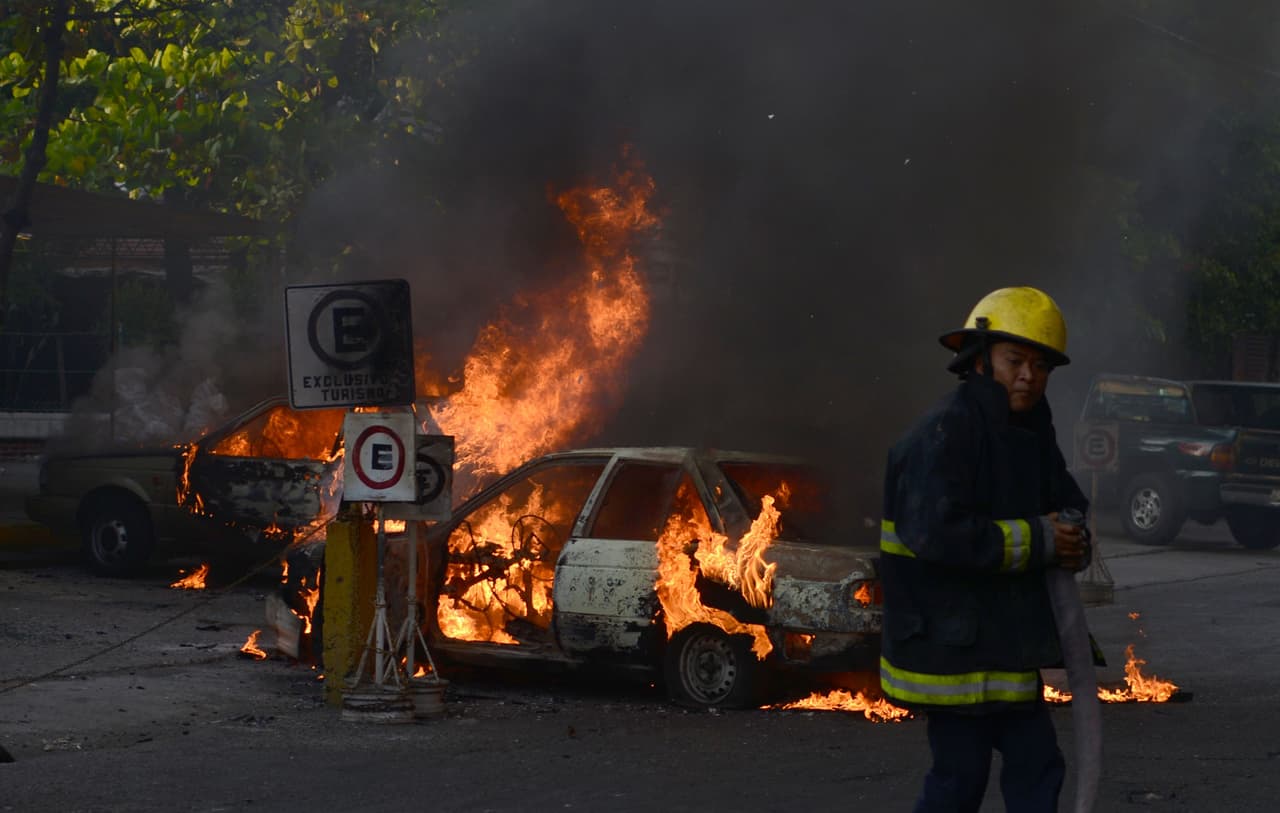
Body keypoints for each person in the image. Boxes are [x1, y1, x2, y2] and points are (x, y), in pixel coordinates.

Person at [879, 286, 1092, 812]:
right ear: (979, 359)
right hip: (950, 651)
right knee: (960, 777)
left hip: (1004, 647)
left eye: (1041, 366)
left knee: (1039, 765)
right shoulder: (944, 431)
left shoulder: (1031, 431)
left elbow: (1067, 503)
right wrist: (1041, 539)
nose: (1029, 376)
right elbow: (937, 532)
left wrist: (1072, 537)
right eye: (1016, 360)